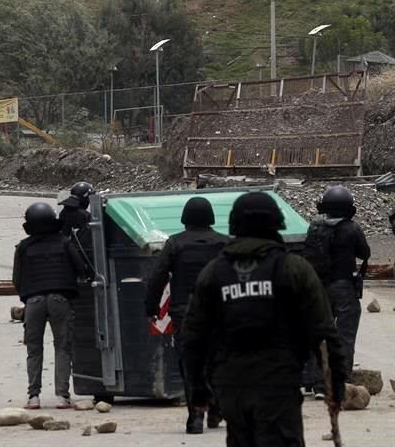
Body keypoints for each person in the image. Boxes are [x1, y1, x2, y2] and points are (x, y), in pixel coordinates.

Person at [181, 192, 348, 447]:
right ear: (277, 224)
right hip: (279, 385)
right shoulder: (295, 269)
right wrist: (336, 388)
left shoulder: (214, 273)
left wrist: (198, 391)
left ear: (234, 225)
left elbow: (192, 338)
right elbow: (325, 333)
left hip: (231, 387)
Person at [143, 197, 227, 433]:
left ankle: (196, 417)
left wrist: (151, 309)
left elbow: (158, 276)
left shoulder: (175, 244)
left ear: (185, 218)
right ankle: (217, 409)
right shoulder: (225, 243)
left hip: (185, 313)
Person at [12, 202, 87, 410]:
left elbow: (17, 279)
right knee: (62, 347)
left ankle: (33, 397)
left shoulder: (24, 247)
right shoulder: (64, 242)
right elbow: (81, 268)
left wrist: (26, 298)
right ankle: (62, 396)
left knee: (34, 350)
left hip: (33, 301)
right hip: (60, 299)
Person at [302, 186, 371, 396]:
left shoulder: (314, 227)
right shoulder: (352, 229)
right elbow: (364, 253)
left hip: (319, 287)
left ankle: (315, 382)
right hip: (343, 288)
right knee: (344, 336)